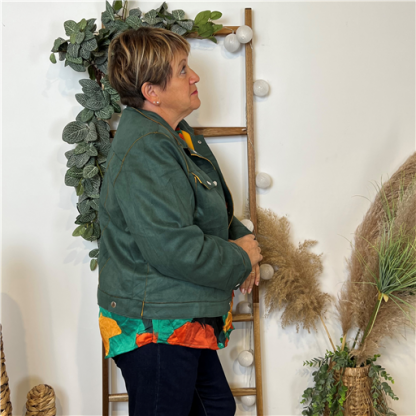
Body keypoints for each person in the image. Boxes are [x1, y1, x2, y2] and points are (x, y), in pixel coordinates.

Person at [97, 27, 263, 416]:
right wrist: (240, 258)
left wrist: (244, 242)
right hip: (155, 323)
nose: (195, 76)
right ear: (151, 92)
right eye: (183, 69)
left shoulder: (175, 136)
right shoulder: (147, 148)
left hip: (178, 314)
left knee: (215, 407)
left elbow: (208, 207)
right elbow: (174, 247)